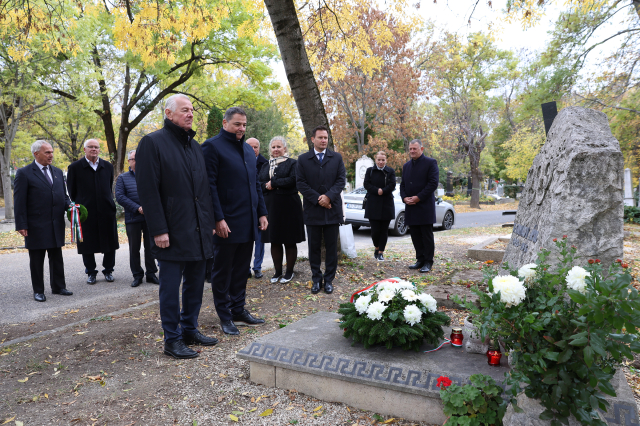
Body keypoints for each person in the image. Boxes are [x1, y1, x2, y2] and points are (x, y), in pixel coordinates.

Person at [136, 94, 218, 359]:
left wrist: (209, 222)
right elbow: (148, 190)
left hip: (198, 229)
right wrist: (159, 229)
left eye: (192, 110)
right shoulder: (152, 142)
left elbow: (204, 190)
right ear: (169, 113)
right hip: (170, 231)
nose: (190, 114)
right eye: (184, 110)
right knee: (170, 288)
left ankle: (189, 329)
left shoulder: (194, 146)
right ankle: (172, 339)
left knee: (195, 284)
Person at [202, 107, 268, 336]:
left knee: (241, 270)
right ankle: (225, 315)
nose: (241, 128)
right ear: (225, 123)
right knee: (222, 271)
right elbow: (208, 186)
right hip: (226, 222)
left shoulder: (248, 150)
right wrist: (217, 218)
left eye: (244, 125)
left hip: (248, 221)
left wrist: (262, 212)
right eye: (237, 124)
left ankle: (238, 310)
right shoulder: (212, 147)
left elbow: (255, 184)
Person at [14, 140, 73, 302]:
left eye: (52, 152)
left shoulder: (57, 172)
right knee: (37, 259)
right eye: (47, 152)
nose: (51, 155)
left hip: (55, 223)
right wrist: (21, 224)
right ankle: (38, 290)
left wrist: (71, 207)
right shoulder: (24, 173)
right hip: (35, 225)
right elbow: (19, 201)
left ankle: (58, 286)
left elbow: (63, 196)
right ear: (36, 154)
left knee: (56, 256)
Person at [296, 125, 346, 295]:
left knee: (331, 248)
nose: (324, 140)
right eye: (320, 137)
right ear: (313, 139)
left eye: (325, 137)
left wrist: (329, 197)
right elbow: (301, 183)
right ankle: (316, 279)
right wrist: (319, 199)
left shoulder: (336, 158)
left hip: (332, 210)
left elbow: (341, 180)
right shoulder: (303, 159)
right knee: (314, 247)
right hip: (313, 210)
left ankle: (329, 280)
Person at [67, 139, 120, 284]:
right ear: (84, 149)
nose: (94, 149)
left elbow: (109, 186)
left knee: (109, 241)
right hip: (86, 212)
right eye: (90, 147)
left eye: (96, 147)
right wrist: (81, 204)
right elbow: (71, 190)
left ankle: (108, 270)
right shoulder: (75, 167)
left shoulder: (107, 166)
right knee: (87, 243)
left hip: (106, 211)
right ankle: (91, 272)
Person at [258, 136, 305, 284]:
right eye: (273, 147)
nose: (276, 149)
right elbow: (259, 183)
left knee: (289, 241)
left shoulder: (293, 163)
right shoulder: (265, 165)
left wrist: (274, 183)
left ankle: (289, 272)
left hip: (289, 207)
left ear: (285, 148)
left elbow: (294, 180)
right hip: (271, 208)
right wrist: (267, 186)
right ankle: (277, 272)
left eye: (279, 147)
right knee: (274, 240)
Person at [115, 149, 159, 288]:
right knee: (134, 248)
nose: (138, 161)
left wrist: (149, 207)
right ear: (129, 161)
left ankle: (151, 274)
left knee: (151, 247)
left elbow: (156, 193)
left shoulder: (149, 176)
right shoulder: (123, 178)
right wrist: (137, 208)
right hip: (132, 218)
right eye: (135, 159)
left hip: (149, 218)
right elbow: (120, 197)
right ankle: (137, 275)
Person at [400, 139, 439, 273]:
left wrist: (418, 197)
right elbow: (403, 185)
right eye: (410, 149)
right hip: (411, 206)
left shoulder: (430, 163)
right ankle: (420, 259)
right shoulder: (406, 166)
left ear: (421, 149)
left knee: (426, 236)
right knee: (415, 235)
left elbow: (433, 183)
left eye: (414, 149)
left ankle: (428, 261)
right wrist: (404, 197)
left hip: (424, 206)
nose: (412, 151)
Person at [363, 151, 397, 261]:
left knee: (384, 230)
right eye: (379, 160)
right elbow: (366, 184)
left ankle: (381, 252)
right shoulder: (370, 170)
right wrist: (377, 190)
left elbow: (392, 185)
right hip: (373, 203)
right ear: (375, 160)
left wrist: (383, 191)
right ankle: (376, 247)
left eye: (383, 160)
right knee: (375, 230)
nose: (381, 162)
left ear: (386, 160)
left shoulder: (390, 171)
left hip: (386, 203)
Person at [246, 137, 268, 279]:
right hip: (245, 208)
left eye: (256, 147)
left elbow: (265, 185)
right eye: (250, 147)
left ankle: (257, 267)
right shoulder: (240, 160)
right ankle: (245, 268)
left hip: (260, 207)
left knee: (260, 241)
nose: (253, 149)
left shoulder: (265, 163)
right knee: (246, 241)